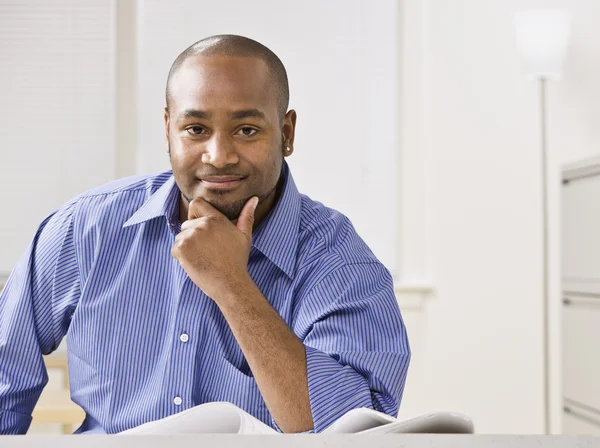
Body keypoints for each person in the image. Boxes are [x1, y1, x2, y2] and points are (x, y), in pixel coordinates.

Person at [0, 35, 410, 435]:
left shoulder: (340, 262)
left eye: (247, 130)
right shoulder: (84, 230)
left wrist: (232, 284)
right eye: (196, 129)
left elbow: (350, 433)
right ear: (168, 130)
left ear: (286, 133)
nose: (219, 156)